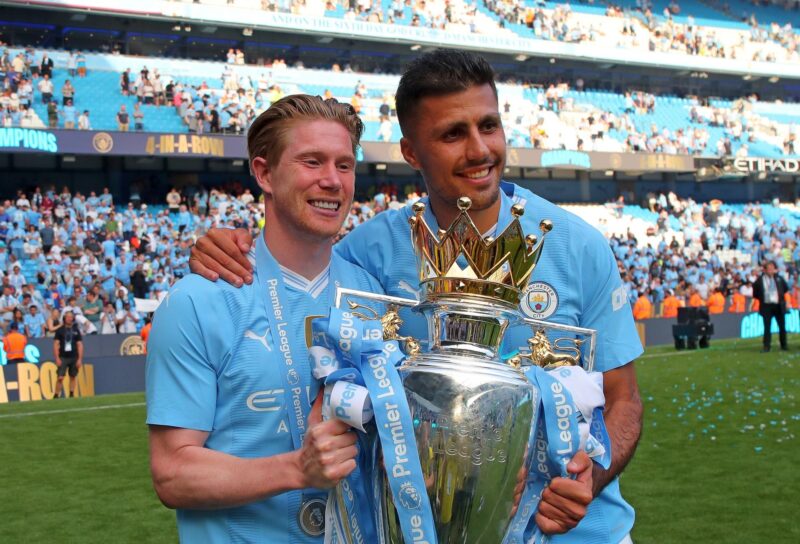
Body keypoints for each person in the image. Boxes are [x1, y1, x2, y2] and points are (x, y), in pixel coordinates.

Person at [189, 50, 643, 543]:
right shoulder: (368, 254)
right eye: (452, 134)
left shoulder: (577, 245)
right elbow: (295, 257)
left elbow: (625, 400)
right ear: (410, 152)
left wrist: (586, 479)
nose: (479, 149)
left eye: (488, 126)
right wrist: (228, 244)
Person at [146, 94, 385, 542]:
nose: (332, 180)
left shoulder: (371, 295)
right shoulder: (198, 300)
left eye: (344, 165)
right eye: (312, 162)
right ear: (263, 173)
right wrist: (297, 468)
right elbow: (173, 471)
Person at [752, 261, 789, 352]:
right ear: (764, 270)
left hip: (778, 305)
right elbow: (755, 293)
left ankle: (784, 345)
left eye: (772, 269)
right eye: (769, 269)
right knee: (767, 327)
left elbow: (785, 289)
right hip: (766, 306)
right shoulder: (760, 280)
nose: (771, 271)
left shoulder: (779, 278)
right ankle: (766, 346)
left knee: (782, 326)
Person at [53, 310, 83, 399]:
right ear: (64, 318)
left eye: (71, 317)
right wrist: (57, 358)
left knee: (73, 376)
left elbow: (80, 345)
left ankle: (71, 393)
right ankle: (56, 395)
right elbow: (55, 344)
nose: (70, 318)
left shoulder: (76, 330)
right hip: (63, 356)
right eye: (68, 317)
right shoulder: (60, 330)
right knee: (60, 377)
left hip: (74, 356)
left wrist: (80, 359)